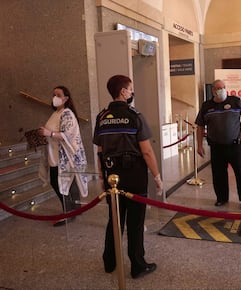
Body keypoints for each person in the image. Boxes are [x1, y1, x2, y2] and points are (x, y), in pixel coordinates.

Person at [93, 75, 163, 279]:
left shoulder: (101, 117)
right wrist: (157, 177)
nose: (132, 92)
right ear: (123, 91)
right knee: (135, 221)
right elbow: (147, 151)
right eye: (130, 89)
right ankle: (138, 265)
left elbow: (100, 149)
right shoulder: (135, 115)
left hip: (110, 173)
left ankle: (109, 261)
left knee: (114, 219)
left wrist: (100, 175)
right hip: (134, 175)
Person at [195, 79, 241, 210]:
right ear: (213, 91)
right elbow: (200, 126)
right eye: (218, 88)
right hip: (216, 147)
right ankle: (221, 198)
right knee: (218, 174)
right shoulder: (206, 106)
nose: (222, 90)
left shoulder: (235, 102)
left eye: (223, 87)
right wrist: (199, 145)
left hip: (235, 145)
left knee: (240, 173)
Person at [39, 86, 88, 226]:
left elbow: (68, 134)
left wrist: (50, 134)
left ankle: (69, 212)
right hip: (53, 154)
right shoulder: (55, 113)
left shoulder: (67, 113)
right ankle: (74, 209)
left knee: (60, 183)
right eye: (53, 94)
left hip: (64, 157)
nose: (55, 97)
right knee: (62, 182)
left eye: (58, 95)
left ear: (66, 98)